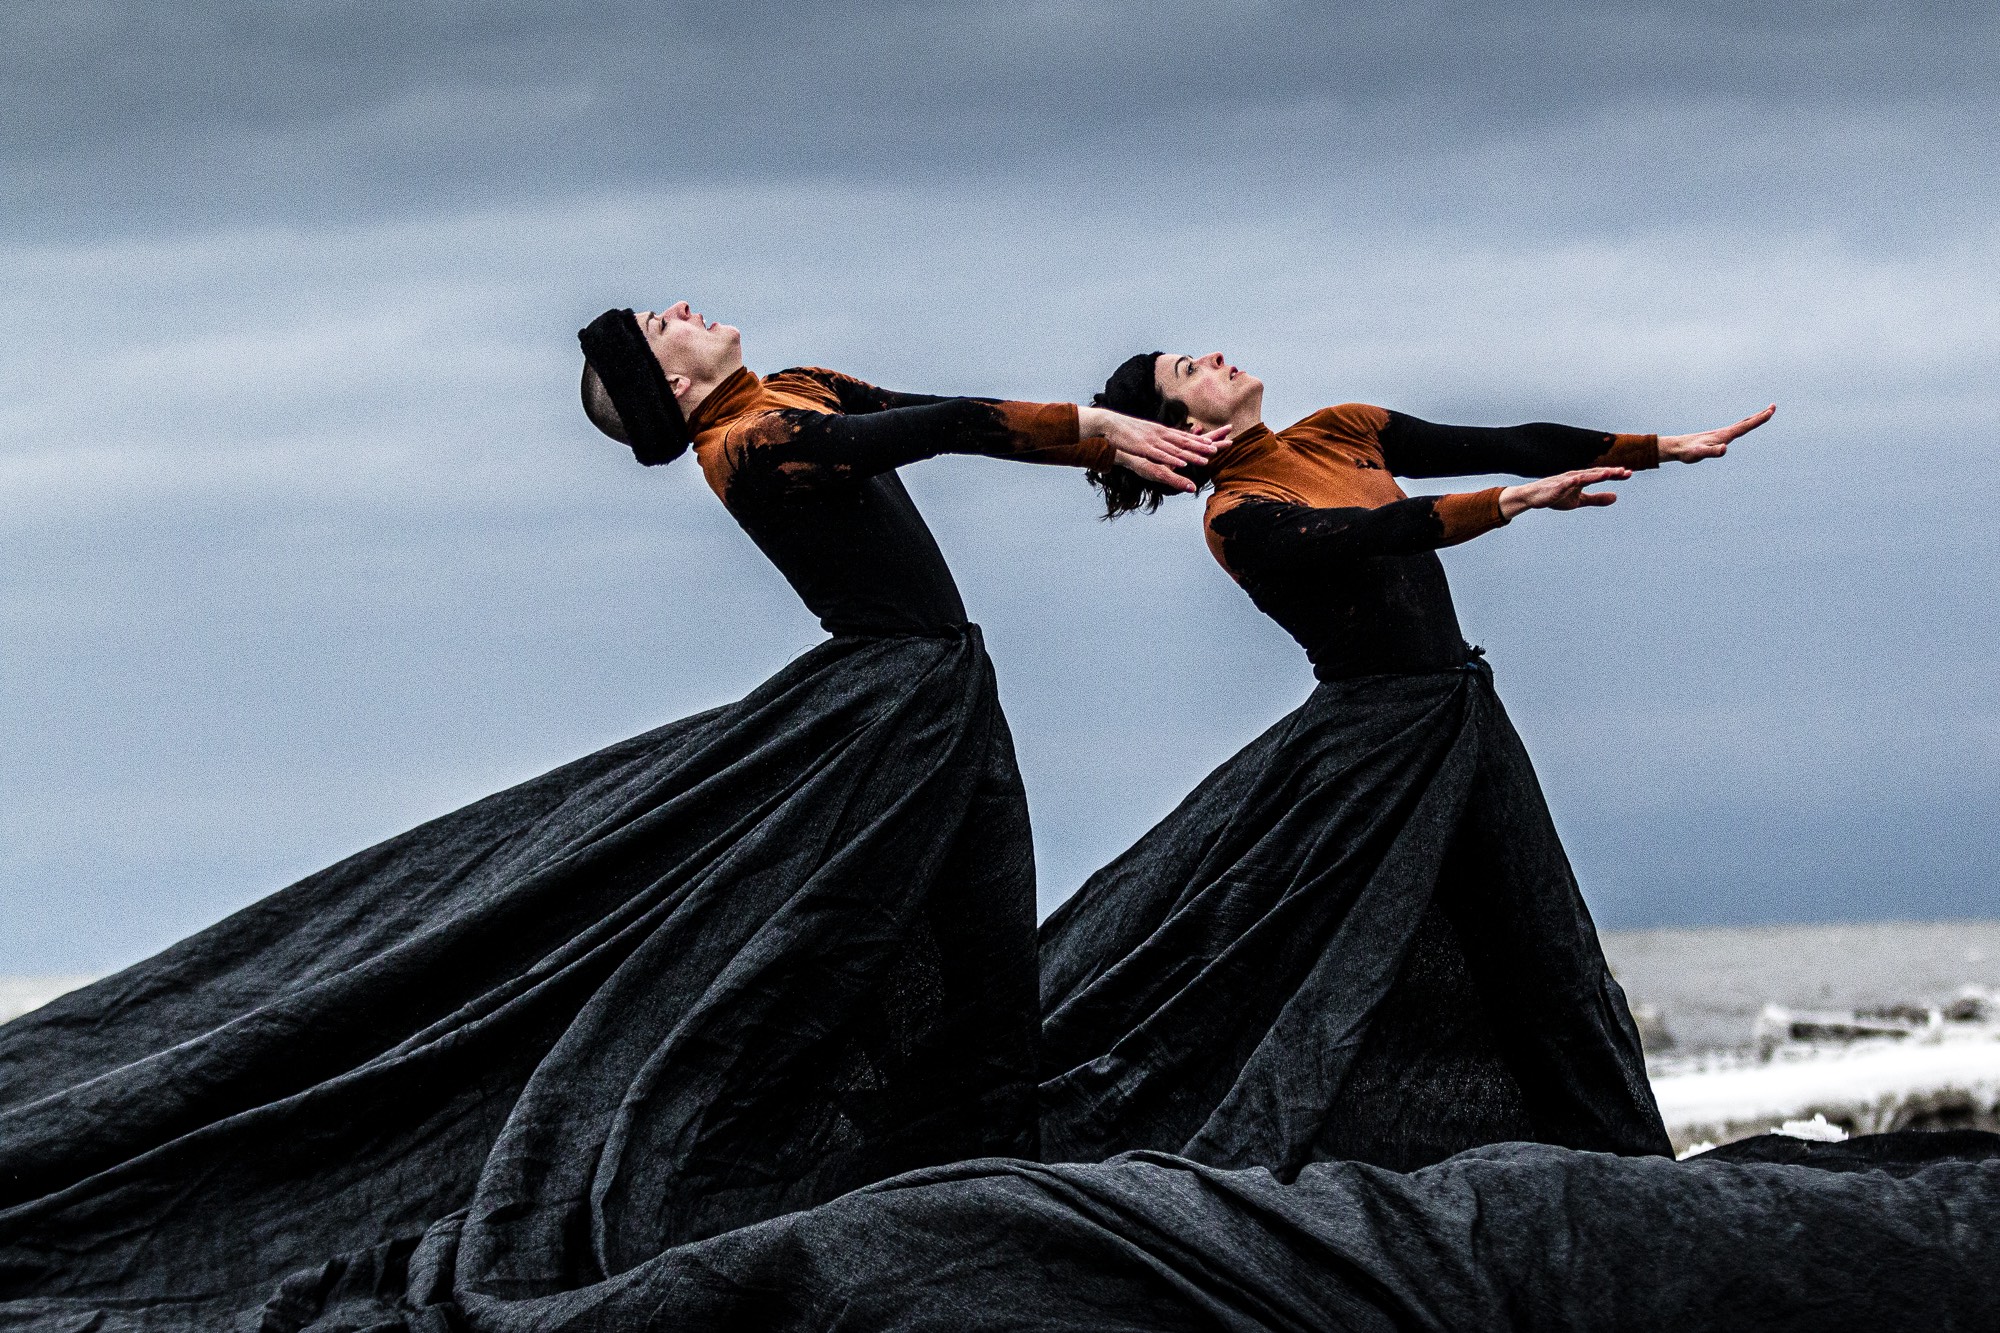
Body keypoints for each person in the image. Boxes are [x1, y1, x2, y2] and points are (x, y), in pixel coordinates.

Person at [0, 304, 1217, 1327]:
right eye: (656, 327)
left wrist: (1100, 438)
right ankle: (919, 1186)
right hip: (882, 714)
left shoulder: (788, 389)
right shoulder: (748, 443)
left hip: (931, 689)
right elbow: (923, 432)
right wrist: (1099, 428)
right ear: (672, 387)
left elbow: (940, 409)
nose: (677, 309)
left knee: (977, 942)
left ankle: (977, 1168)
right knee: (852, 940)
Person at [1039, 347, 1773, 1174]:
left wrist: (1659, 447)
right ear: (1183, 428)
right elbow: (1377, 534)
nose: (1213, 356)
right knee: (1333, 976)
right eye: (1187, 372)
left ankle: (1621, 1168)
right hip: (1369, 760)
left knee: (1548, 957)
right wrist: (1511, 503)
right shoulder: (1236, 516)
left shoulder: (1341, 431)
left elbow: (1504, 440)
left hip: (1462, 717)